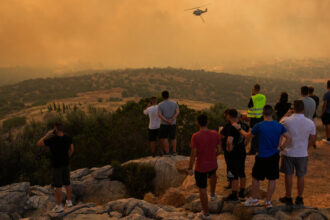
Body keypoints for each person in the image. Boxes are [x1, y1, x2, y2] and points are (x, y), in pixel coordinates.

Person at [233, 105, 291, 208]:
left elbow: (247, 136)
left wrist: (239, 129)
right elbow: (289, 137)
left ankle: (254, 199)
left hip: (262, 156)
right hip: (274, 155)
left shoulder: (259, 126)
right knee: (272, 179)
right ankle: (268, 202)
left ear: (263, 114)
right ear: (272, 113)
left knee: (256, 178)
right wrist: (281, 148)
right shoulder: (278, 125)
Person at [279, 100, 316, 206]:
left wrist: (286, 114)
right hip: (302, 153)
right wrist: (306, 148)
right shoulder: (310, 122)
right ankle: (299, 198)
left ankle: (288, 197)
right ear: (303, 109)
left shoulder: (286, 120)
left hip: (288, 152)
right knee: (301, 176)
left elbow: (278, 126)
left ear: (293, 109)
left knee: (288, 175)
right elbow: (313, 139)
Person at [188, 114, 221, 220]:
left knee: (202, 189)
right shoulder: (215, 133)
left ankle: (206, 214)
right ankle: (212, 194)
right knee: (213, 175)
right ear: (207, 122)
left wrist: (190, 167)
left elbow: (193, 153)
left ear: (197, 123)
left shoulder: (195, 136)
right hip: (212, 163)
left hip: (201, 166)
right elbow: (219, 150)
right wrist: (213, 155)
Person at [37, 123, 74, 213]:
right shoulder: (68, 138)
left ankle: (59, 206)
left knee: (58, 186)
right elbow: (72, 149)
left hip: (56, 165)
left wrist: (47, 135)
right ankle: (69, 202)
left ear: (55, 130)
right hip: (66, 164)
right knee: (67, 183)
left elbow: (39, 143)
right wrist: (67, 158)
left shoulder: (52, 139)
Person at [223, 109, 250, 201]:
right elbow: (248, 137)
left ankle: (234, 193)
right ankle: (242, 192)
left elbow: (229, 141)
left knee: (234, 173)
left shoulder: (232, 126)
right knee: (241, 171)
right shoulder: (244, 125)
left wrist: (229, 148)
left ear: (229, 116)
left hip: (234, 153)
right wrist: (244, 145)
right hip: (242, 151)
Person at [158, 91, 180, 156]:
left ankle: (167, 153)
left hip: (164, 124)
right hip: (172, 123)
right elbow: (177, 112)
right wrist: (172, 119)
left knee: (165, 138)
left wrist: (167, 121)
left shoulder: (160, 104)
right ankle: (174, 152)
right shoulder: (174, 103)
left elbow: (160, 115)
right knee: (173, 137)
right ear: (168, 96)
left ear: (162, 96)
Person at [247, 83, 266, 155]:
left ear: (254, 89)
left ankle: (252, 150)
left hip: (254, 118)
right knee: (259, 134)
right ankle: (259, 149)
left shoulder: (253, 97)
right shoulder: (263, 97)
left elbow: (249, 105)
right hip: (261, 117)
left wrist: (252, 95)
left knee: (253, 134)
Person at [219, 109, 234, 190]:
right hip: (237, 149)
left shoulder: (228, 125)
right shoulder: (240, 125)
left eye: (226, 115)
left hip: (228, 149)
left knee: (229, 165)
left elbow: (221, 136)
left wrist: (219, 131)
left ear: (228, 115)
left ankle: (231, 183)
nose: (225, 117)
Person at [321, 80, 330, 144]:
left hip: (327, 112)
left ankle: (328, 139)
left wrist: (322, 112)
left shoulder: (326, 94)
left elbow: (324, 104)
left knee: (327, 125)